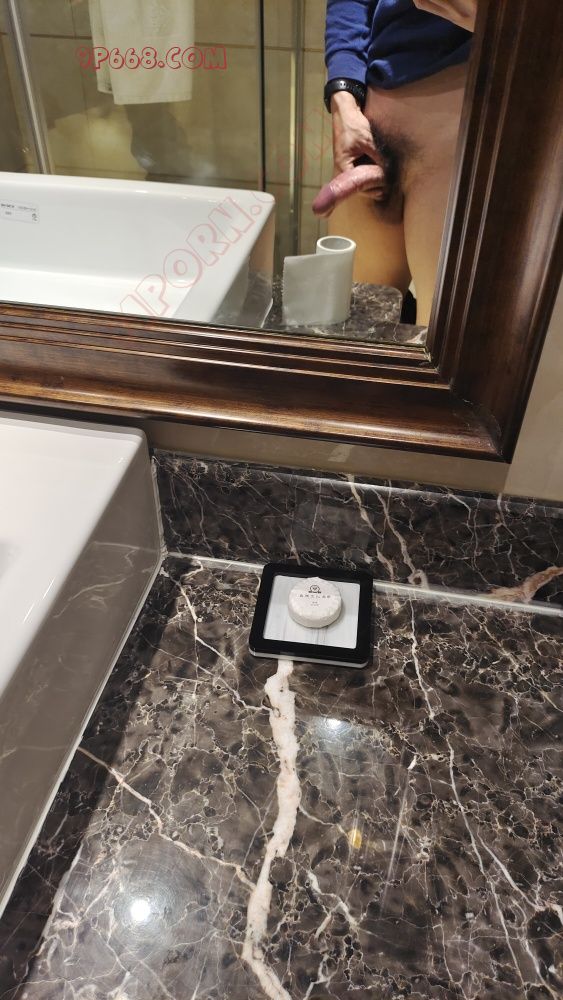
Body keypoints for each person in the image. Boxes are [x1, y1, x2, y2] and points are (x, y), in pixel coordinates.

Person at [314, 0, 478, 325]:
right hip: (368, 128)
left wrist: (503, 24)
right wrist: (344, 97)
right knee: (344, 331)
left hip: (462, 143)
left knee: (441, 346)